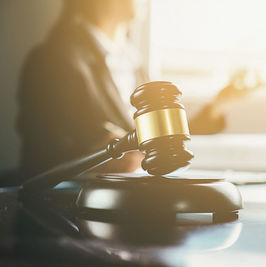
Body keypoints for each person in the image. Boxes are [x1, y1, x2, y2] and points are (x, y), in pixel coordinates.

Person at [16, 0, 248, 180]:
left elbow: (158, 137)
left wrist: (219, 106)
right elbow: (44, 151)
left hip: (123, 195)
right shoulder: (55, 60)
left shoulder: (131, 61)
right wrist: (101, 155)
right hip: (75, 208)